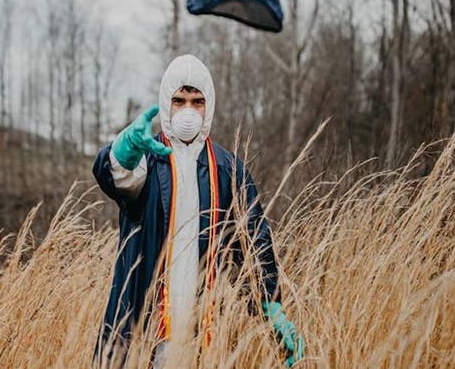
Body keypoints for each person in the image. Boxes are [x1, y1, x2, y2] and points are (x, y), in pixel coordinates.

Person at [93, 54, 304, 367]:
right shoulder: (147, 160)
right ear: (166, 103)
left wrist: (271, 310)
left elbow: (252, 244)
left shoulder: (228, 169)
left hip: (200, 334)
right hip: (140, 327)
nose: (188, 111)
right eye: (179, 101)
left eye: (197, 101)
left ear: (209, 105)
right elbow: (115, 176)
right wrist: (124, 148)